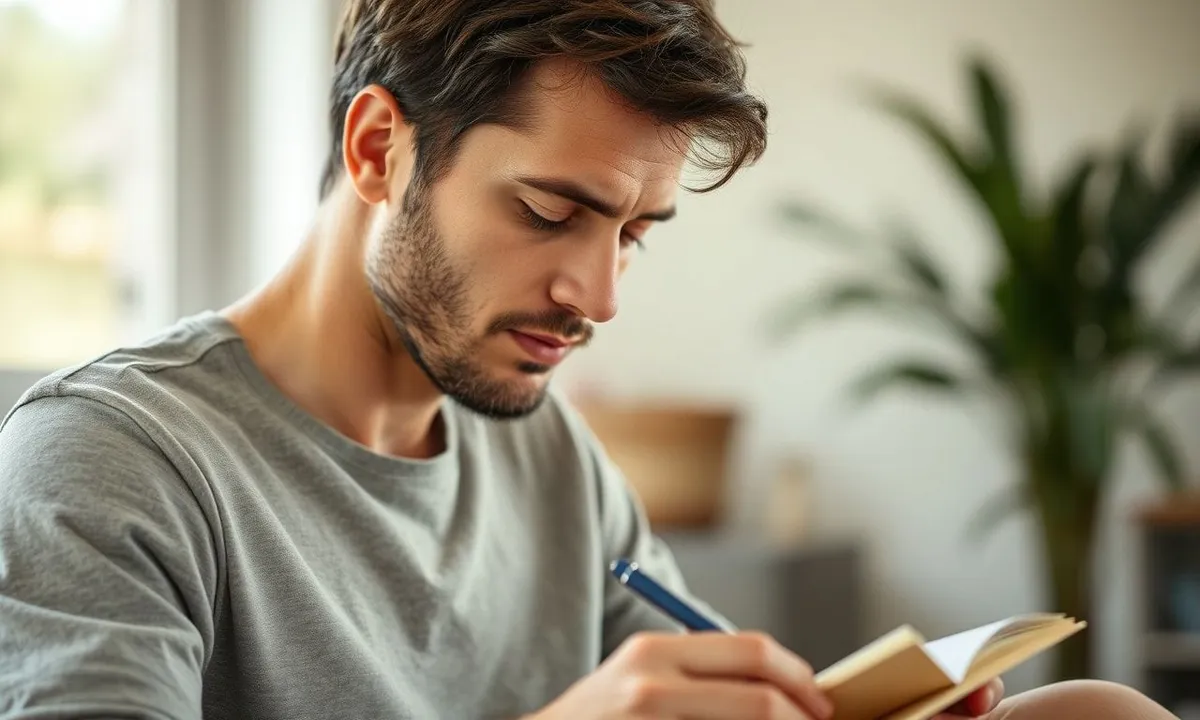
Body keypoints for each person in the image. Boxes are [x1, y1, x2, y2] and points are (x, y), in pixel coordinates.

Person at [0, 1, 1180, 718]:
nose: (598, 295)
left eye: (635, 232)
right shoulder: (108, 460)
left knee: (1093, 713)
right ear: (377, 148)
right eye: (551, 210)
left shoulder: (545, 448)